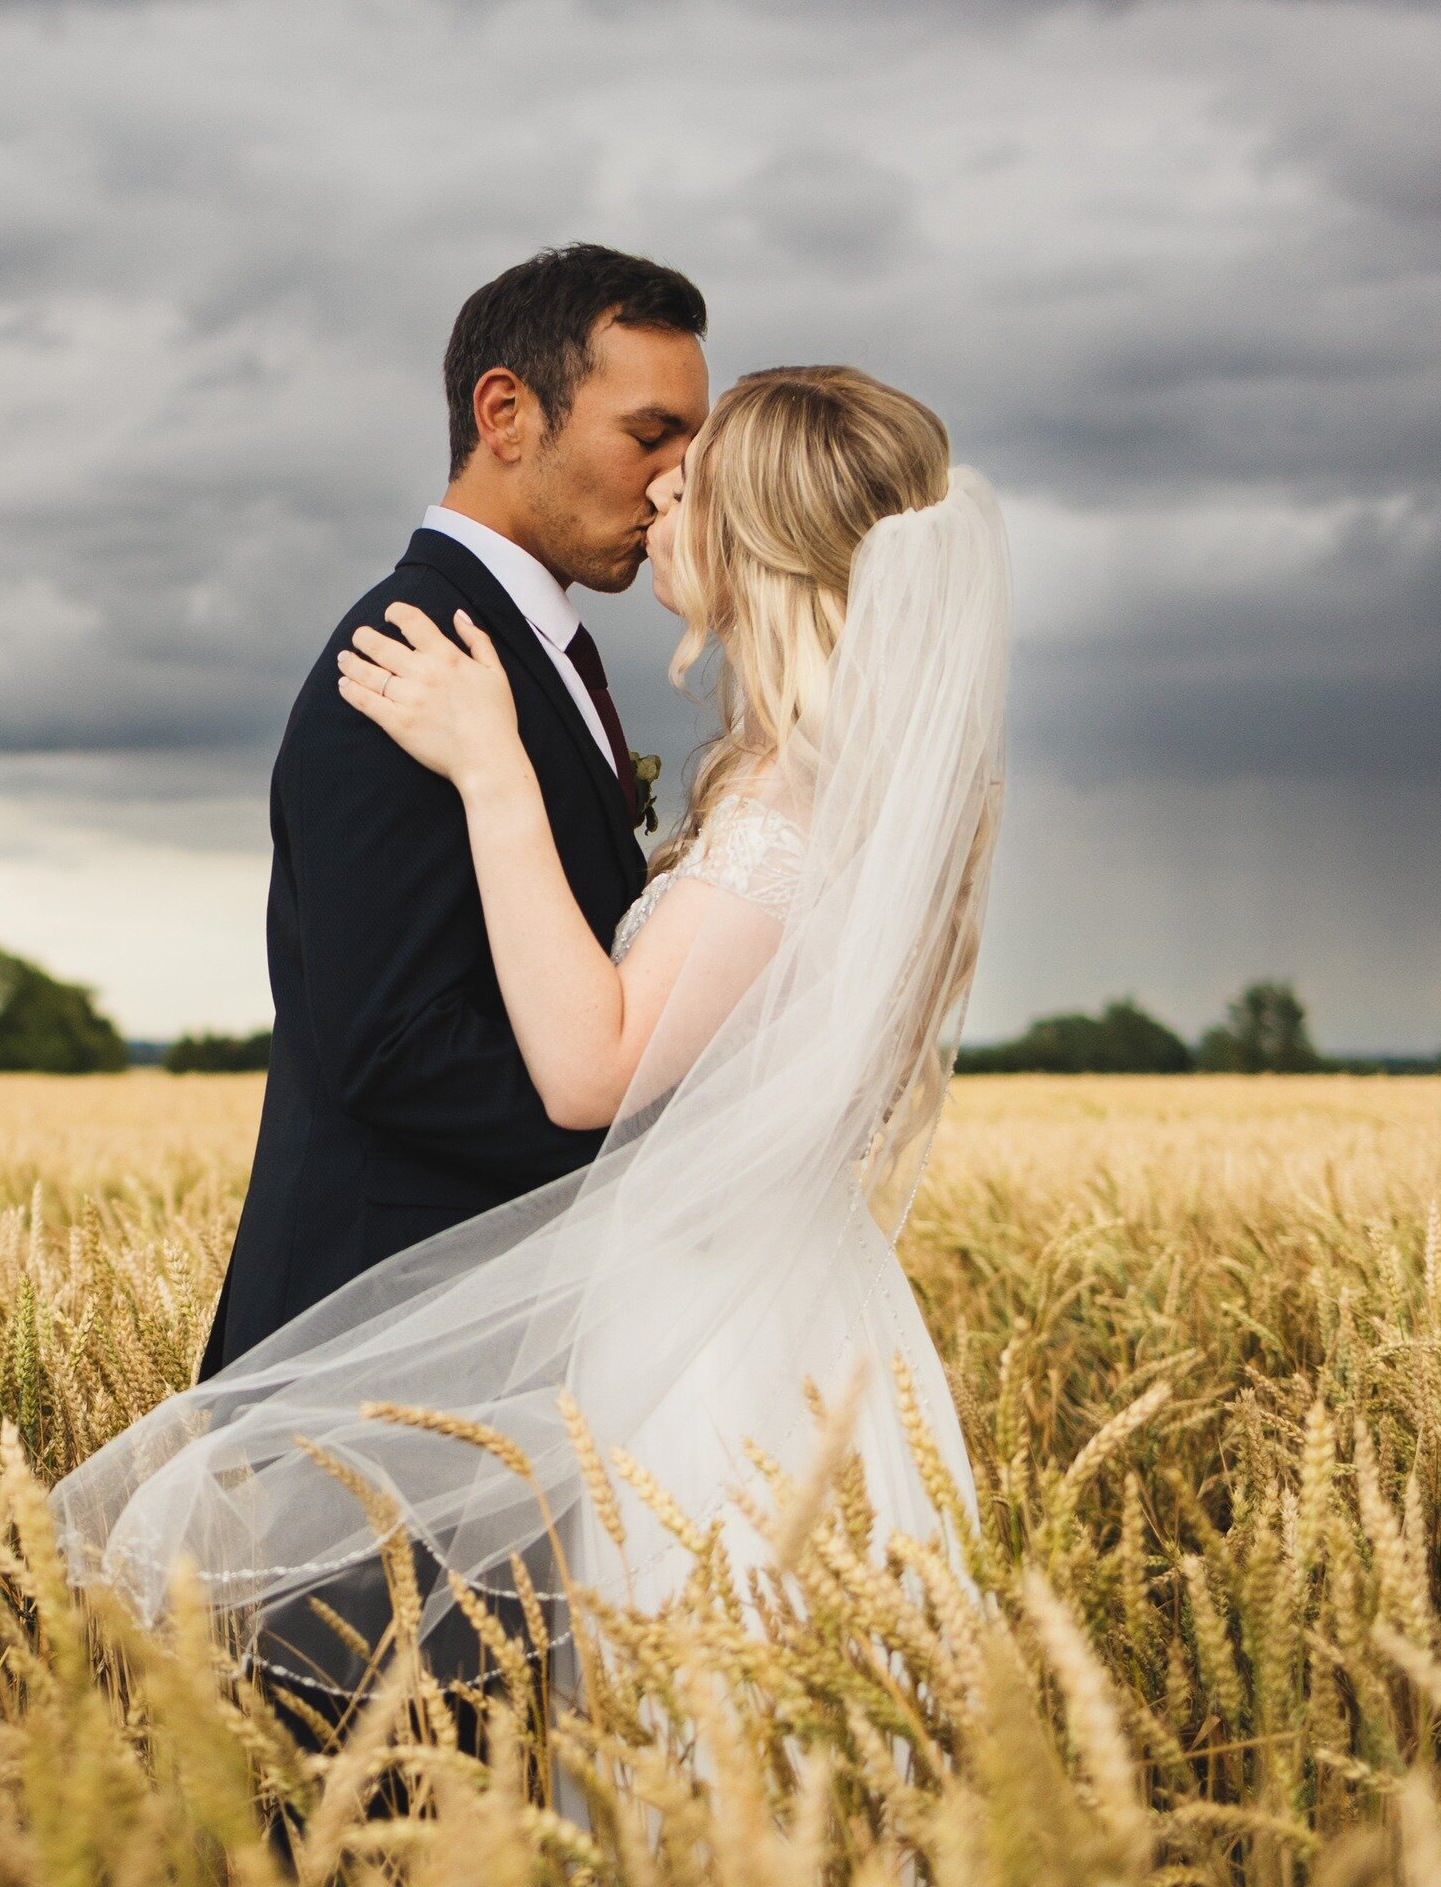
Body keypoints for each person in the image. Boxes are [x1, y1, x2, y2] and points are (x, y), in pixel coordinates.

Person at [50, 359, 1010, 1705]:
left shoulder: (794, 806)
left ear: (763, 543)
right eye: (657, 463)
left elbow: (587, 1069)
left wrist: (496, 769)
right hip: (757, 1295)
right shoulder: (828, 782)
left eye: (690, 488)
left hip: (715, 1332)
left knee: (700, 1716)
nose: (658, 506)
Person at [193, 243, 709, 1381]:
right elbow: (394, 1043)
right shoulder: (408, 653)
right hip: (375, 1340)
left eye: (693, 444)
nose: (678, 482)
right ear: (505, 412)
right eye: (649, 435)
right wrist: (667, 1151)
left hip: (481, 1333)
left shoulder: (521, 647)